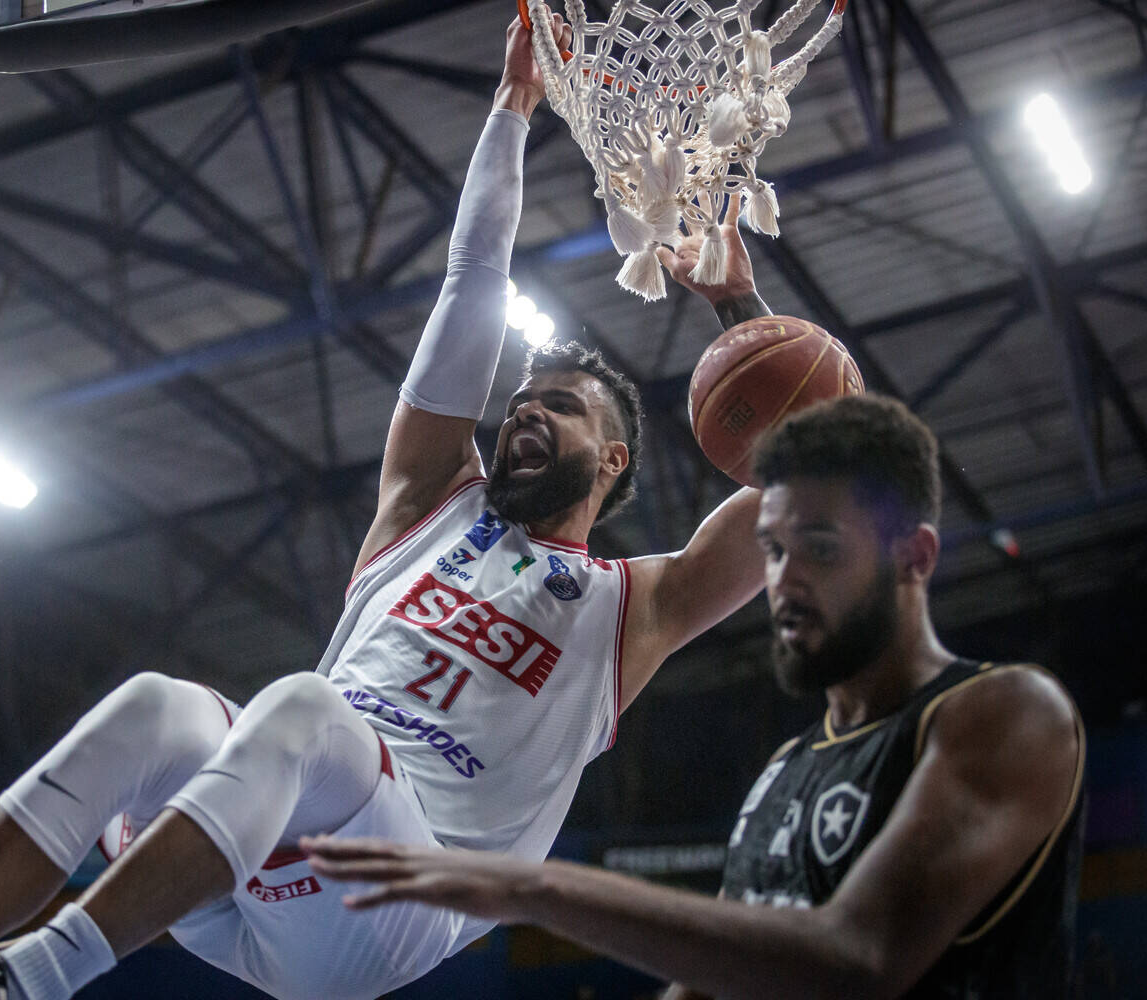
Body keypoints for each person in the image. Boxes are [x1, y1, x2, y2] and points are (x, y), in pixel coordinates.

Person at [0, 15, 774, 1000]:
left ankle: (22, 981)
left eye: (558, 408)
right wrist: (511, 106)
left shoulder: (634, 605)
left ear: (610, 461)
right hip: (265, 856)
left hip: (398, 903)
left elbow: (812, 480)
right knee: (157, 705)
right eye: (522, 400)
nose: (525, 411)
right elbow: (474, 280)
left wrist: (741, 310)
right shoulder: (430, 497)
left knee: (307, 706)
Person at [304, 393, 1087, 999]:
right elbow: (724, 981)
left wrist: (532, 887)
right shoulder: (786, 775)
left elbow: (859, 961)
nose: (785, 580)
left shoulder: (1005, 711)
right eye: (772, 550)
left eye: (818, 548)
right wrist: (736, 315)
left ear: (914, 556)